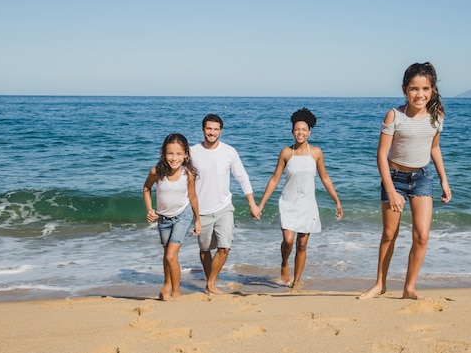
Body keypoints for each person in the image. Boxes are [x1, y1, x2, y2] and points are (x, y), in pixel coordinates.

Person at [359, 62, 451, 300]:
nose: (419, 94)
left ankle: (409, 288)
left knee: (422, 235)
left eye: (425, 89)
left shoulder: (436, 116)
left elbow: (435, 148)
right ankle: (380, 284)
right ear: (404, 89)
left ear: (432, 90)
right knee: (389, 234)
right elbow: (381, 155)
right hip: (395, 179)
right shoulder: (394, 115)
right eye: (414, 89)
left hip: (422, 178)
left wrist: (444, 180)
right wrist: (391, 190)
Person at [258, 108, 343, 290]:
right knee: (288, 241)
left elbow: (325, 178)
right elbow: (274, 179)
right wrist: (261, 204)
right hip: (288, 203)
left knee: (302, 244)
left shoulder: (316, 153)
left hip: (308, 205)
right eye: (297, 129)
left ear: (309, 132)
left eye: (304, 129)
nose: (300, 132)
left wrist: (336, 200)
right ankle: (284, 263)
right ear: (292, 131)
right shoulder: (286, 153)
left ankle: (296, 282)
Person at [190, 114, 260, 294]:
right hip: (202, 211)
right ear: (203, 129)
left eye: (215, 129)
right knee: (204, 249)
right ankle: (209, 281)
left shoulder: (229, 151)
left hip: (224, 207)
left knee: (225, 247)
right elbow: (183, 179)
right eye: (208, 128)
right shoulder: (192, 152)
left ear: (220, 131)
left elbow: (242, 177)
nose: (211, 132)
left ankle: (211, 284)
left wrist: (252, 203)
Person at [143, 133, 201, 301]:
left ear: (185, 155)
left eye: (178, 154)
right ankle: (167, 282)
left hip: (183, 215)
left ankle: (174, 290)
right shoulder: (156, 172)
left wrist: (198, 220)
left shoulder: (188, 174)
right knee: (167, 254)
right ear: (164, 154)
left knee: (170, 255)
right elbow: (146, 189)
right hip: (163, 218)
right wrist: (149, 209)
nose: (174, 158)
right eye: (170, 153)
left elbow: (193, 197)